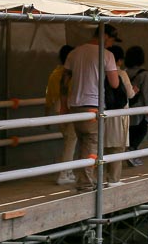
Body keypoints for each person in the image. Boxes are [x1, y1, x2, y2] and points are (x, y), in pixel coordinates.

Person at [63, 25, 121, 191]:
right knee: (92, 146)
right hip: (93, 105)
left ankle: (84, 180)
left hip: (74, 104)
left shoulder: (74, 53)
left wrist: (63, 105)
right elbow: (114, 83)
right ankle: (86, 184)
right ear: (106, 37)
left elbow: (64, 80)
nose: (111, 44)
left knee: (82, 144)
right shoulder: (107, 55)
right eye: (111, 40)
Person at [103, 45, 135, 185]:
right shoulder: (121, 74)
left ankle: (101, 177)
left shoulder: (100, 72)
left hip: (103, 112)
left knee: (103, 147)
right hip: (119, 113)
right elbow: (130, 94)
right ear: (120, 60)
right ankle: (114, 179)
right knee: (117, 146)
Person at [45, 45, 77, 185]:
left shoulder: (54, 73)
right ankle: (63, 173)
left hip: (57, 109)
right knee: (71, 141)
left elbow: (48, 96)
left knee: (68, 140)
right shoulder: (70, 73)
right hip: (69, 108)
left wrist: (47, 115)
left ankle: (68, 171)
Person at [125, 46, 148, 166]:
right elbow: (146, 93)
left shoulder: (124, 72)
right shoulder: (143, 74)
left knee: (130, 131)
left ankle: (131, 151)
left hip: (127, 107)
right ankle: (132, 151)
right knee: (142, 130)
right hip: (140, 107)